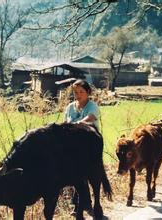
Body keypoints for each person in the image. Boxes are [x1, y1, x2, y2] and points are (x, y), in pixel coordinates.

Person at [64, 79, 100, 216]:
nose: (78, 95)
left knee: (87, 174)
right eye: (76, 92)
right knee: (75, 175)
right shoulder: (70, 107)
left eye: (81, 92)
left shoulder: (92, 106)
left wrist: (77, 123)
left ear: (88, 92)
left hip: (90, 145)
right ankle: (82, 204)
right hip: (73, 146)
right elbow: (65, 123)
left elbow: (90, 118)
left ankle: (85, 204)